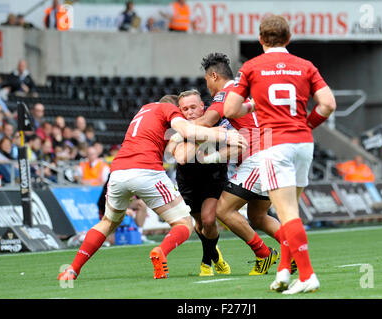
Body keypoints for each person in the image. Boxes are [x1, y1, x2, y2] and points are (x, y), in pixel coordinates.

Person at [58, 95, 245, 281]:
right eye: (181, 111)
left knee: (107, 223)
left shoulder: (143, 110)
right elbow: (187, 130)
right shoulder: (167, 109)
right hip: (146, 171)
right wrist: (225, 134)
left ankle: (72, 269)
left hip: (118, 172)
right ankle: (160, 251)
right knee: (183, 223)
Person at [223, 15, 336, 294]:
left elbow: (229, 111)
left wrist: (252, 105)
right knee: (291, 212)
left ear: (261, 40)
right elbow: (328, 105)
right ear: (288, 39)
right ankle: (284, 272)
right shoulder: (305, 66)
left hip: (276, 144)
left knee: (286, 214)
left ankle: (308, 274)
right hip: (303, 143)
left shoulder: (251, 67)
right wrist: (307, 124)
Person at [192, 52, 284, 276]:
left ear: (214, 75)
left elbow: (206, 122)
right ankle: (295, 254)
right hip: (271, 155)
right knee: (258, 217)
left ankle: (263, 254)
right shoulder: (245, 92)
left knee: (222, 210)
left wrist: (177, 126)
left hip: (257, 159)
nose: (207, 85)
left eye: (206, 80)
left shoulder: (226, 94)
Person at [171, 89, 231, 277]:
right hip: (188, 182)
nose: (189, 112)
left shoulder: (218, 122)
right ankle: (216, 256)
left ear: (202, 107)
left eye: (193, 107)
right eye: (185, 109)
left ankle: (206, 262)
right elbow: (182, 157)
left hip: (213, 178)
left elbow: (233, 146)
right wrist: (205, 133)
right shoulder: (176, 129)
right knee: (199, 223)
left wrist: (201, 133)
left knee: (209, 220)